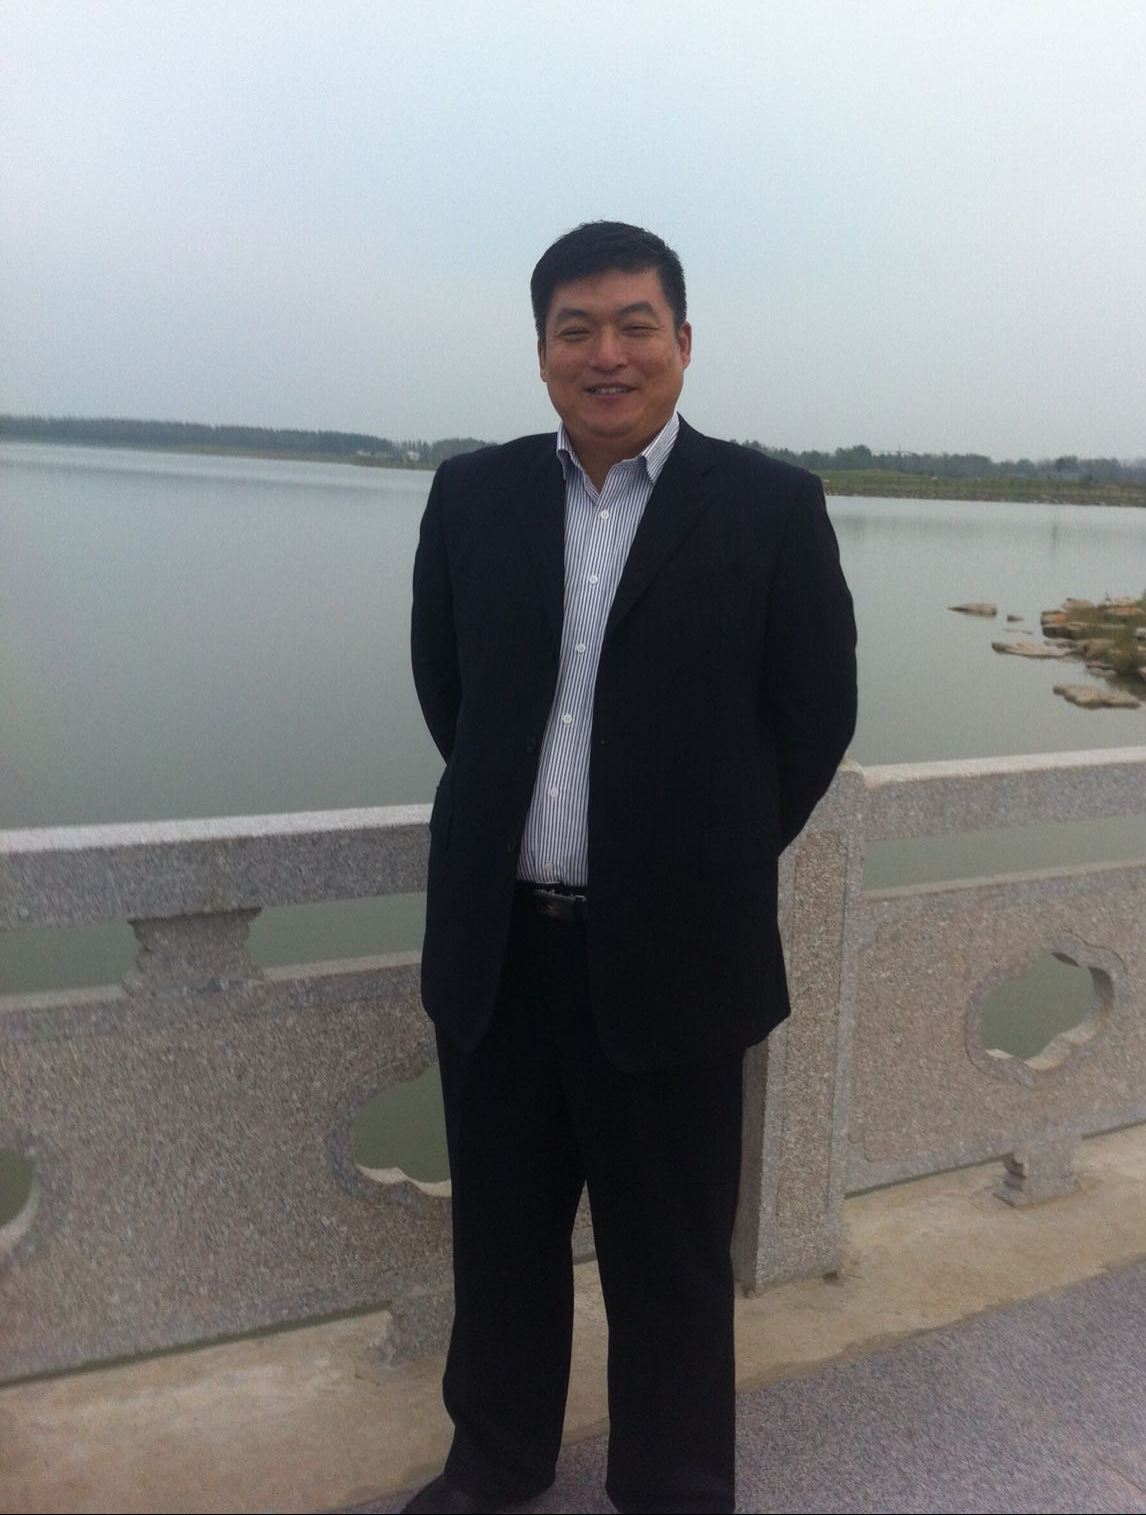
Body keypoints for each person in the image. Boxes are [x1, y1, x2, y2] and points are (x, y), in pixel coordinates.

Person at [406, 221, 856, 1515]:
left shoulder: (769, 506)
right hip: (500, 947)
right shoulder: (472, 496)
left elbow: (813, 718)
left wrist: (697, 857)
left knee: (670, 1252)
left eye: (634, 325)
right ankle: (495, 1459)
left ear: (683, 343)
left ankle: (673, 1482)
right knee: (501, 1235)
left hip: (676, 953)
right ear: (543, 349)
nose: (606, 353)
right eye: (576, 328)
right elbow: (450, 695)